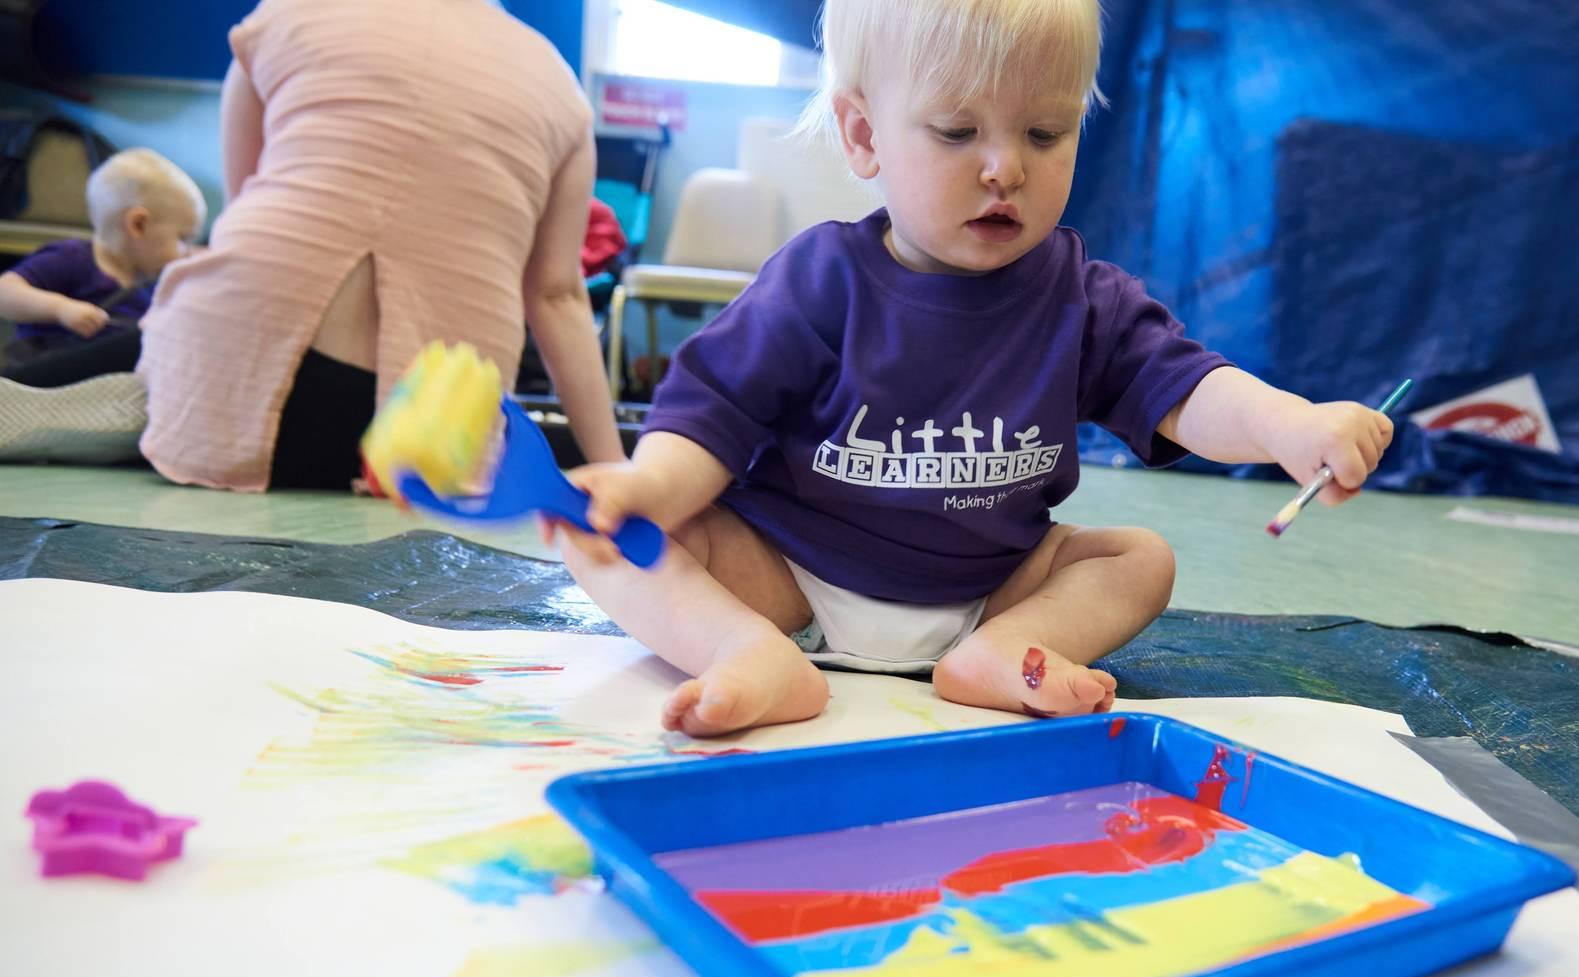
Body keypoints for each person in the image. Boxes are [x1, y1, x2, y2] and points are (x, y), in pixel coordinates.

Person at [553, 0, 1394, 736]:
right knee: (613, 544)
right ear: (862, 134)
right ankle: (746, 654)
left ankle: (997, 659)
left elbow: (1188, 388)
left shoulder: (1083, 298)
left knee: (1139, 558)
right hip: (786, 581)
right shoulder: (819, 282)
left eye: (1045, 133)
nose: (1006, 168)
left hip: (990, 592)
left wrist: (1292, 424)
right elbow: (709, 414)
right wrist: (648, 490)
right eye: (958, 132)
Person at [127, 0, 624, 491]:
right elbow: (557, 296)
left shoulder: (283, 16)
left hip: (231, 384)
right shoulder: (560, 88)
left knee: (115, 354)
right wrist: (617, 470)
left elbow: (242, 217)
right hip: (433, 427)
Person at [0, 148, 203, 387]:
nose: (187, 252)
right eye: (182, 238)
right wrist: (60, 309)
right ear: (138, 225)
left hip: (108, 396)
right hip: (45, 384)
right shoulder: (72, 258)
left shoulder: (152, 286)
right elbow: (5, 292)